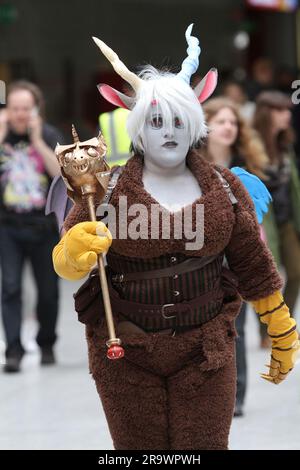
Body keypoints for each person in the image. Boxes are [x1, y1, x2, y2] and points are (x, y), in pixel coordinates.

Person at [51, 26, 299, 450]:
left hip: (206, 353)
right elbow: (68, 258)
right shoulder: (107, 189)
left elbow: (253, 262)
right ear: (139, 129)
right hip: (124, 352)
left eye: (179, 120)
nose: (168, 130)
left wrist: (280, 326)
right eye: (157, 121)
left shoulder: (224, 188)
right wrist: (74, 252)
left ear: (195, 126)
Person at [202, 96, 270, 417]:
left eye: (233, 122)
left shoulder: (246, 164)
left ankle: (236, 394)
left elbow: (257, 214)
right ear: (205, 126)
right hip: (202, 255)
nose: (228, 127)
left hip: (239, 255)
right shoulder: (190, 165)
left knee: (235, 325)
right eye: (221, 121)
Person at [0, 80, 62, 372]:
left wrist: (37, 142)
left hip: (44, 226)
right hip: (8, 225)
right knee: (10, 287)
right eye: (15, 108)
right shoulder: (2, 136)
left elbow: (61, 176)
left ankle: (46, 342)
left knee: (48, 291)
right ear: (7, 110)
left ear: (36, 109)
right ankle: (13, 349)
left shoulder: (48, 135)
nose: (21, 114)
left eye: (26, 108)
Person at [253, 91, 300, 318]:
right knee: (266, 278)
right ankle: (267, 329)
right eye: (280, 111)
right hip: (262, 221)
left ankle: (284, 322)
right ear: (266, 113)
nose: (286, 116)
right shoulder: (250, 145)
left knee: (296, 271)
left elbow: (293, 185)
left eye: (287, 111)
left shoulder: (285, 145)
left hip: (287, 217)